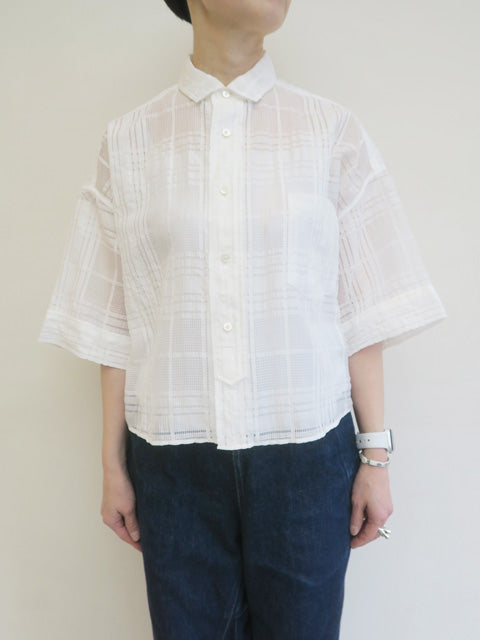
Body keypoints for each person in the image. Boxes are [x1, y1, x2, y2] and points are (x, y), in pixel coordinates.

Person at [38, 1, 447, 638]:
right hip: (173, 464)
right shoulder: (129, 141)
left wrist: (377, 458)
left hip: (307, 460)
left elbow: (359, 312)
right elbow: (116, 323)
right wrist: (113, 467)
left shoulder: (328, 130)